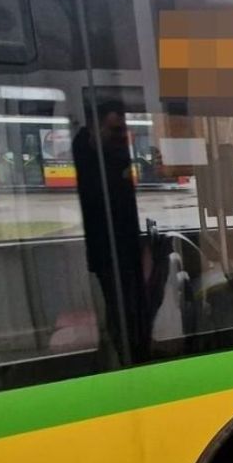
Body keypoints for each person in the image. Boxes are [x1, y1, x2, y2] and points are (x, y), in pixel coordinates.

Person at [73, 100, 146, 363]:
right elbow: (109, 194)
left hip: (122, 244)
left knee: (127, 307)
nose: (121, 137)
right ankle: (131, 357)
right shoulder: (88, 149)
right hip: (110, 249)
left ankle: (132, 352)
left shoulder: (100, 149)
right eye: (115, 130)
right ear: (96, 126)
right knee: (120, 307)